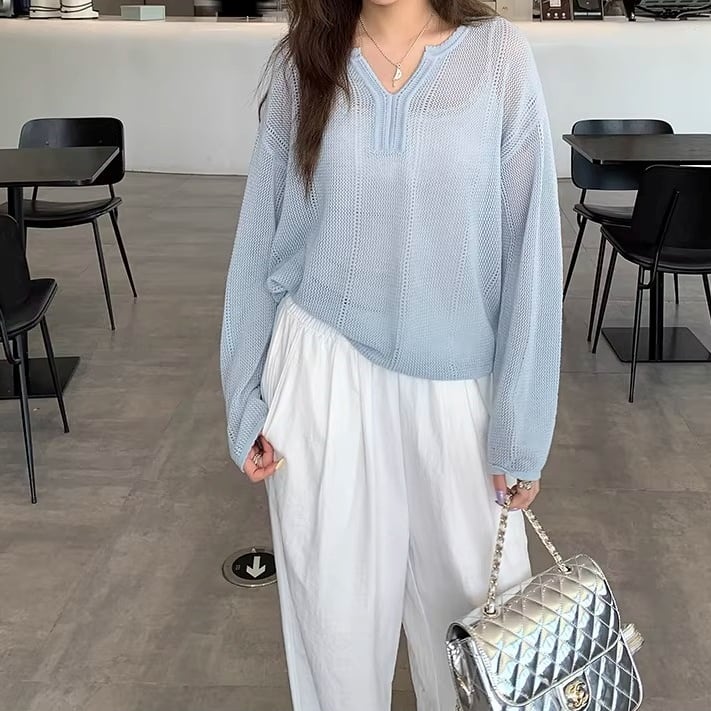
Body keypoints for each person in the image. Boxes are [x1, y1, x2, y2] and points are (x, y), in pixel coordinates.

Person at [220, 0, 562, 708]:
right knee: (334, 641)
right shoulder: (302, 63)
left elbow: (530, 249)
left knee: (483, 648)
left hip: (458, 389)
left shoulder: (497, 58)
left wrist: (522, 427)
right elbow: (260, 236)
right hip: (323, 376)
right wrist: (243, 393)